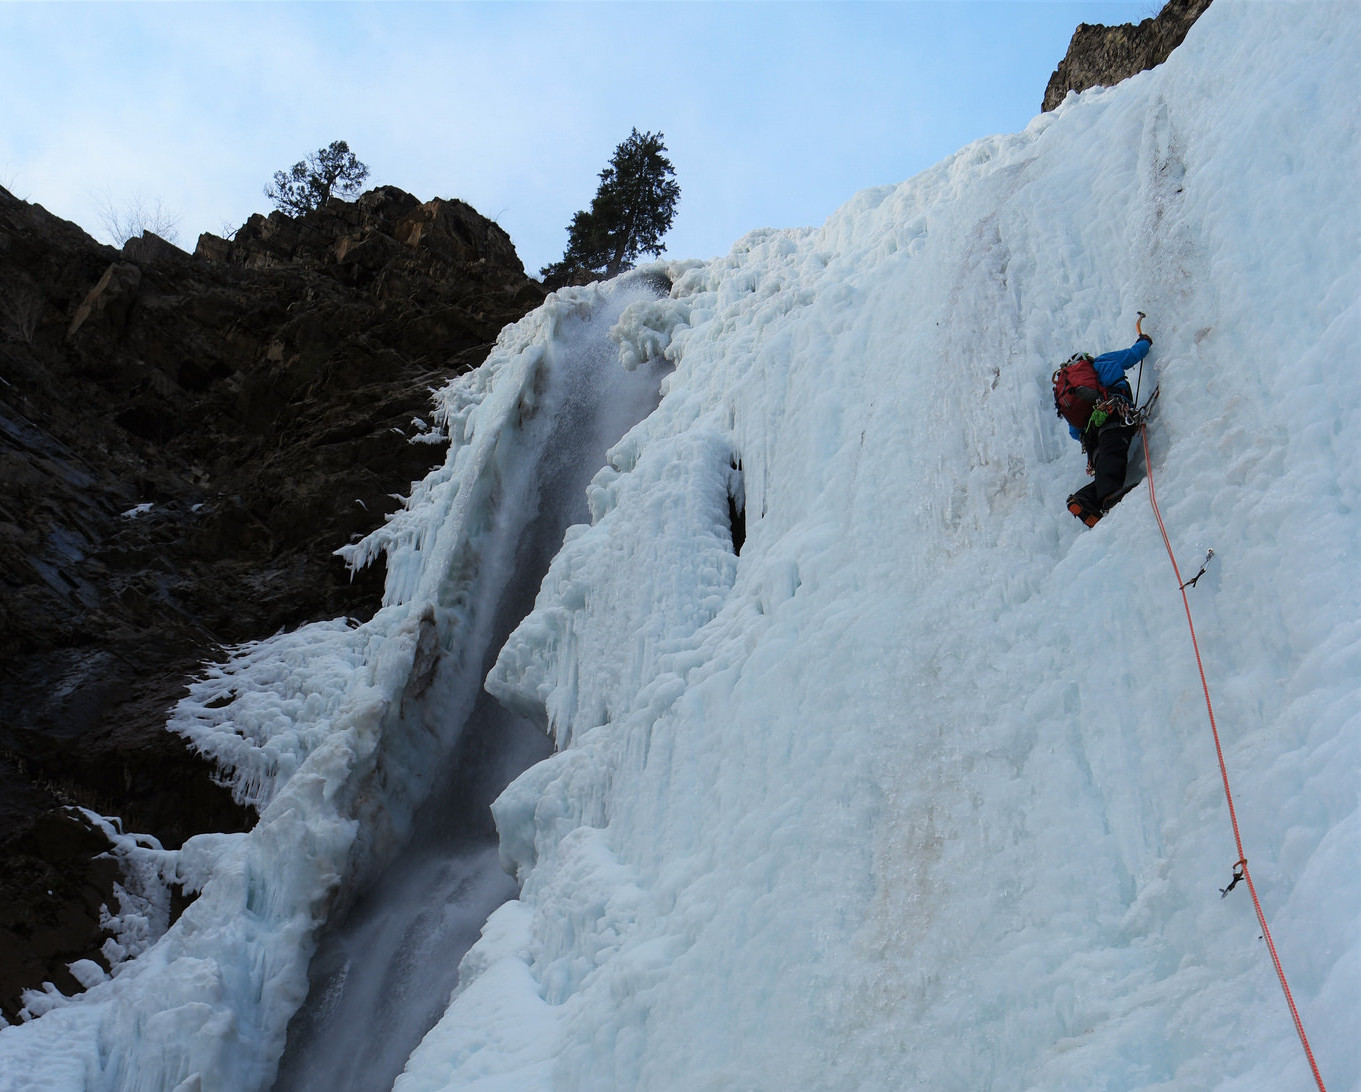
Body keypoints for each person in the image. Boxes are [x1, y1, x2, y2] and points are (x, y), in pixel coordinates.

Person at [1058, 321, 1153, 527]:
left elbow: (1075, 432)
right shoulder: (1101, 362)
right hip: (1113, 412)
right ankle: (1110, 495)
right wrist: (1144, 340)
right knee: (1114, 455)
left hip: (1091, 438)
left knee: (1106, 464)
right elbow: (1132, 355)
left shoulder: (1071, 394)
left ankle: (1085, 499)